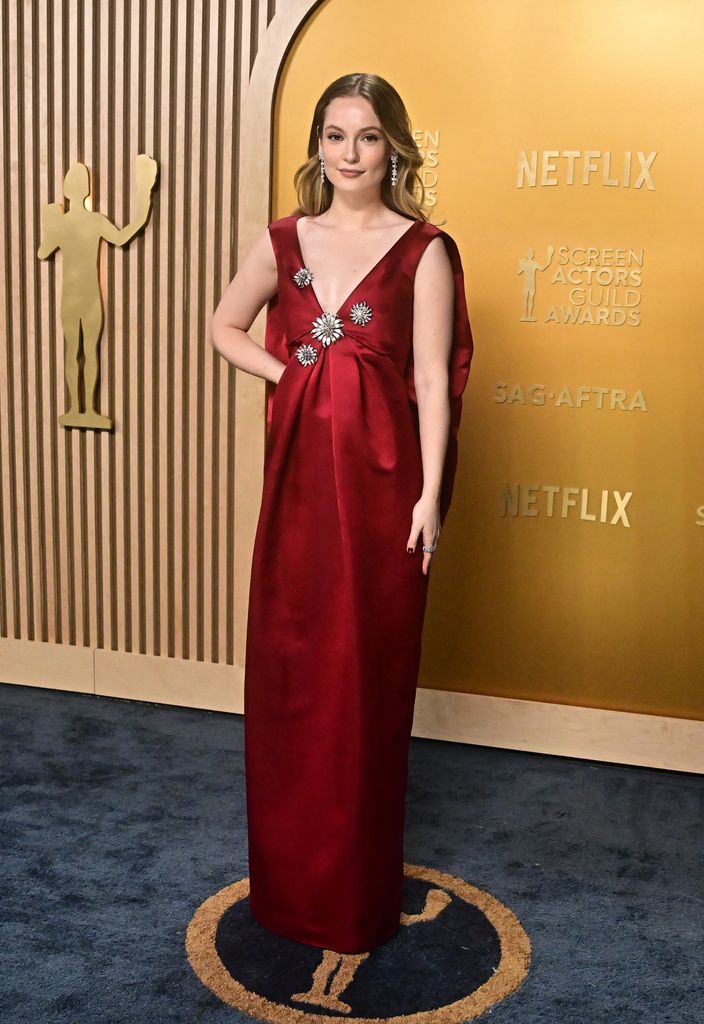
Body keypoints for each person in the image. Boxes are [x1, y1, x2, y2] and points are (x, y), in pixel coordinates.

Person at [209, 72, 473, 954]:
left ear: (392, 146)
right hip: (297, 488)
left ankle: (353, 894)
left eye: (366, 137)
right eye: (334, 136)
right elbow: (224, 325)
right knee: (291, 670)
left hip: (382, 490)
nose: (349, 154)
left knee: (364, 684)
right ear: (317, 146)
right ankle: (289, 886)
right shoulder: (286, 241)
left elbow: (433, 378)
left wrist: (431, 494)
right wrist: (292, 373)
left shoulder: (423, 249)